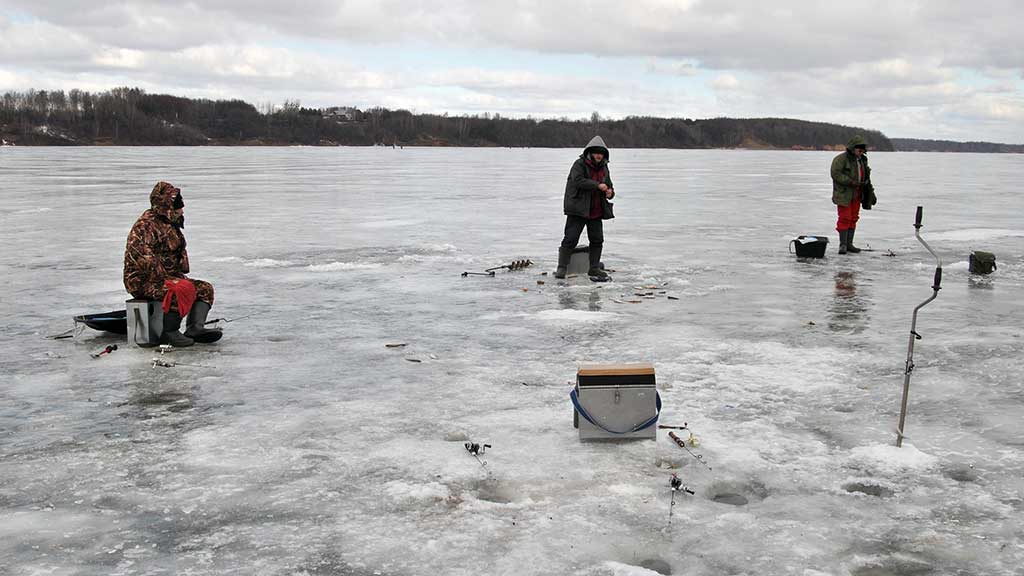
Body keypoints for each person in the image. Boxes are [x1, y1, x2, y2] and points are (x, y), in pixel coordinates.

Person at [123, 182, 222, 346]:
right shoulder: (145, 226)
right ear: (166, 206)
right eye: (178, 207)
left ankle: (195, 328)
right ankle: (169, 332)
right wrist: (169, 279)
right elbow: (141, 256)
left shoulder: (168, 223)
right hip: (142, 281)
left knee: (204, 289)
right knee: (179, 289)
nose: (182, 210)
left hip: (166, 277)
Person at [555, 136, 615, 279]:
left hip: (596, 210)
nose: (599, 155)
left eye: (601, 153)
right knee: (570, 238)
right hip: (578, 209)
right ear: (590, 153)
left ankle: (593, 268)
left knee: (597, 240)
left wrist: (610, 193)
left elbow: (609, 185)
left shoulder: (604, 167)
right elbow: (578, 181)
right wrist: (597, 185)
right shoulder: (579, 164)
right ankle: (562, 267)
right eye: (596, 153)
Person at [830, 135, 877, 254]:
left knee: (853, 218)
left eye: (863, 151)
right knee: (844, 218)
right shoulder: (840, 159)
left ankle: (849, 244)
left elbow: (867, 177)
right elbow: (835, 174)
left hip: (857, 194)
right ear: (853, 148)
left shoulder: (862, 160)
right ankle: (843, 245)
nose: (861, 153)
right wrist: (850, 182)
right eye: (859, 150)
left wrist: (871, 194)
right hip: (844, 194)